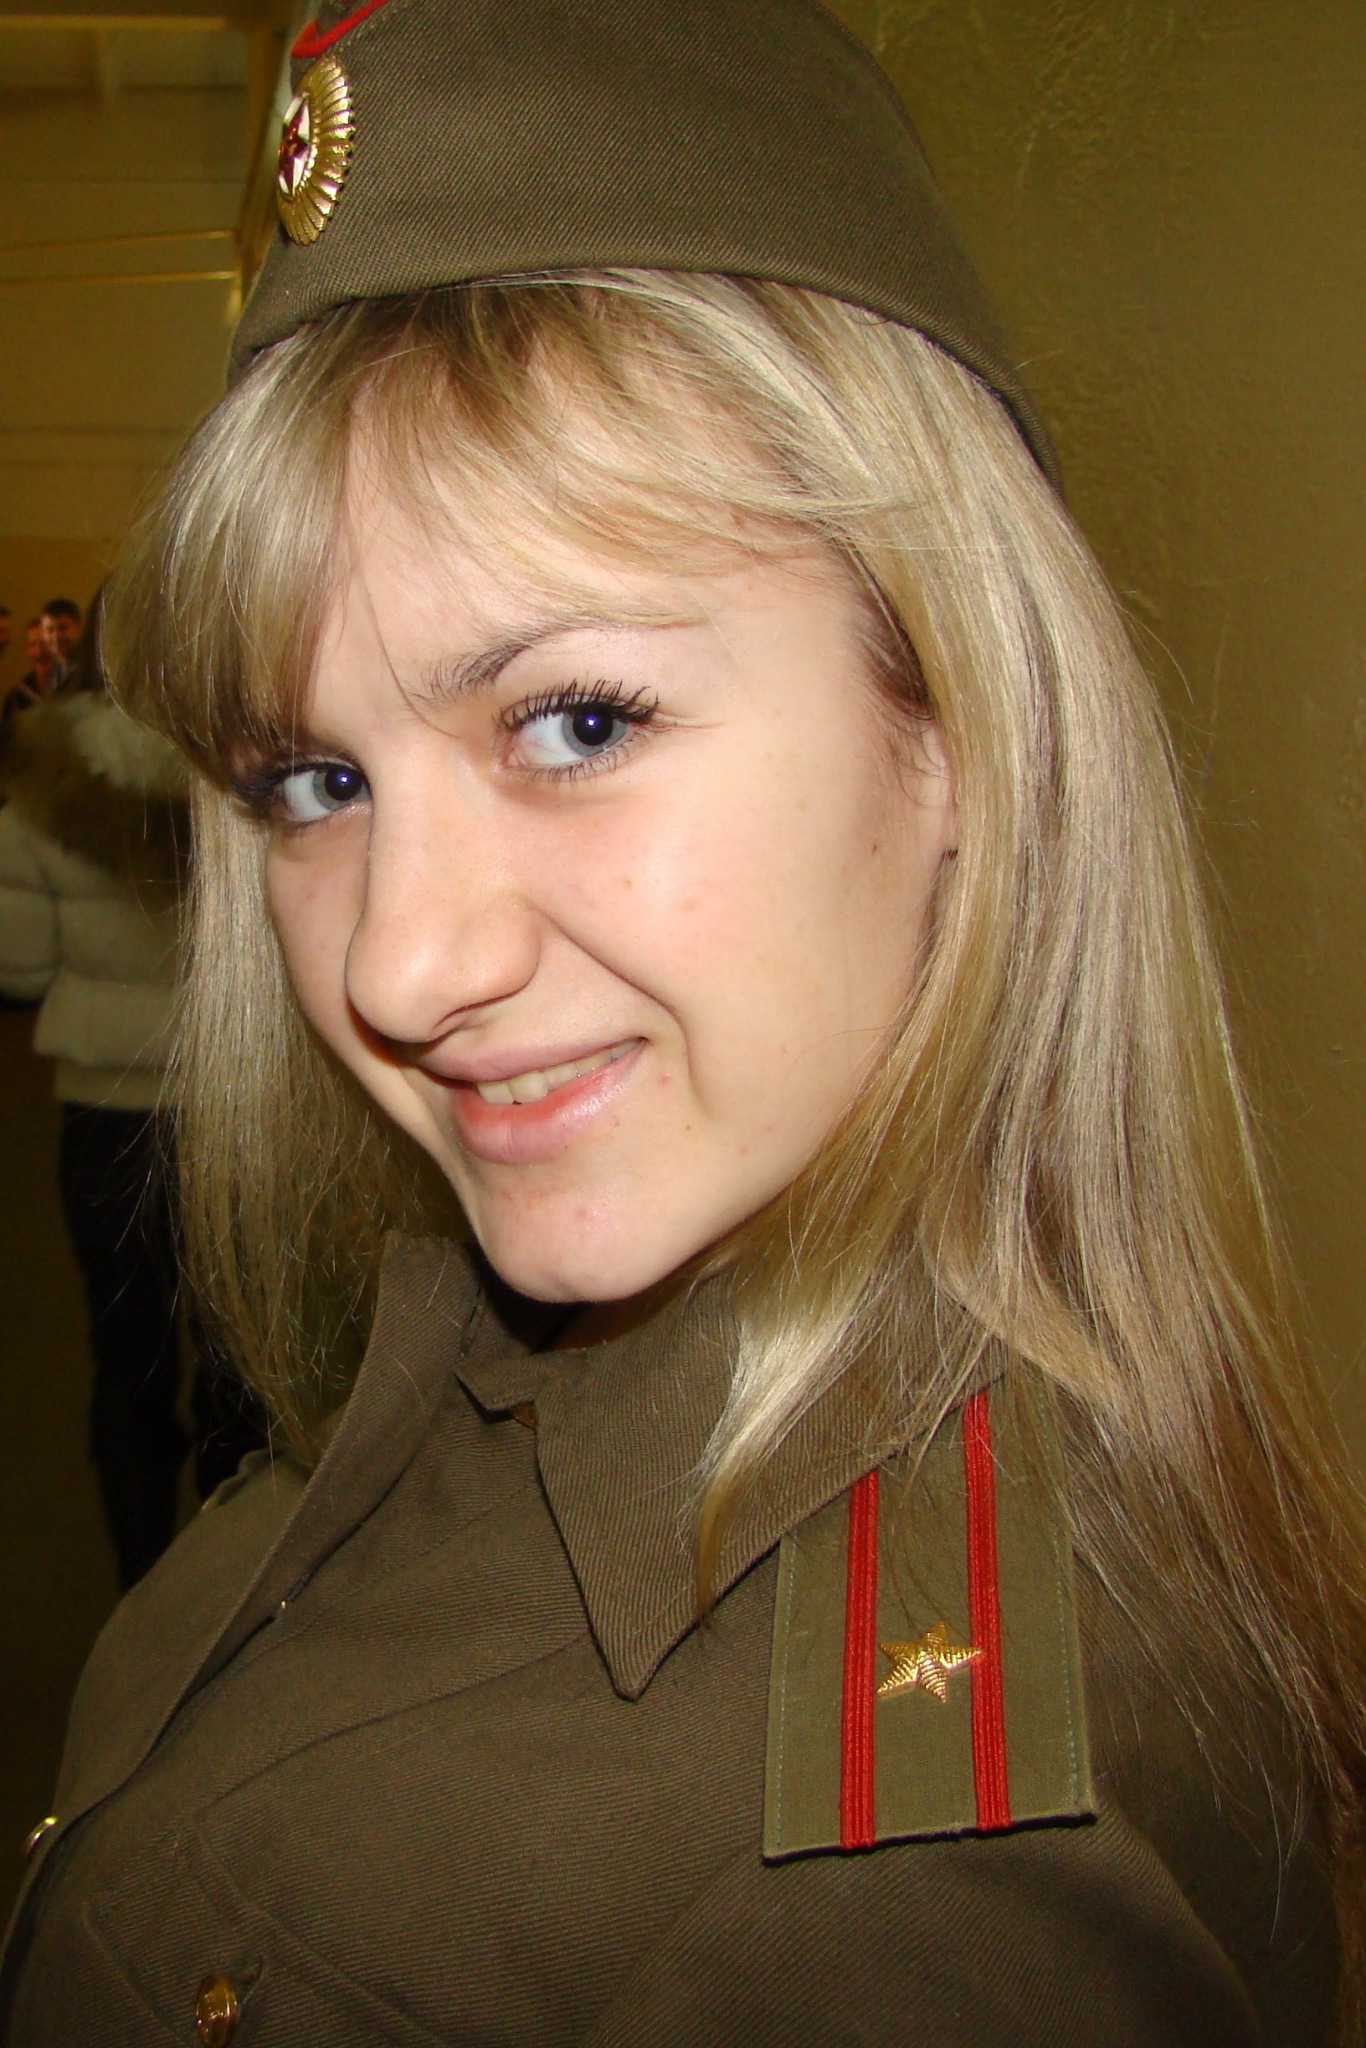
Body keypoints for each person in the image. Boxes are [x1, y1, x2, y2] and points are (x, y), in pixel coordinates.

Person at [2, 2, 1363, 2043]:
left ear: (952, 726)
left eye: (574, 721)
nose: (394, 968)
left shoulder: (913, 1910)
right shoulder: (499, 1340)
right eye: (315, 780)